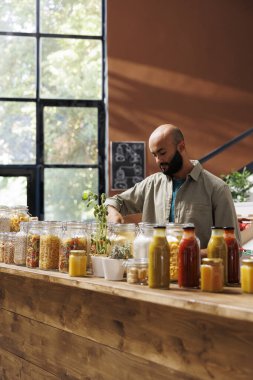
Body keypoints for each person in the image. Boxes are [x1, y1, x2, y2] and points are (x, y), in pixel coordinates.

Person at [105, 124, 241, 249]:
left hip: (198, 273)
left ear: (181, 147)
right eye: (154, 155)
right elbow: (114, 201)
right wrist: (112, 213)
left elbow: (232, 246)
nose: (159, 161)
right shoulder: (150, 185)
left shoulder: (217, 189)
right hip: (154, 272)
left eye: (162, 153)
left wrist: (189, 254)